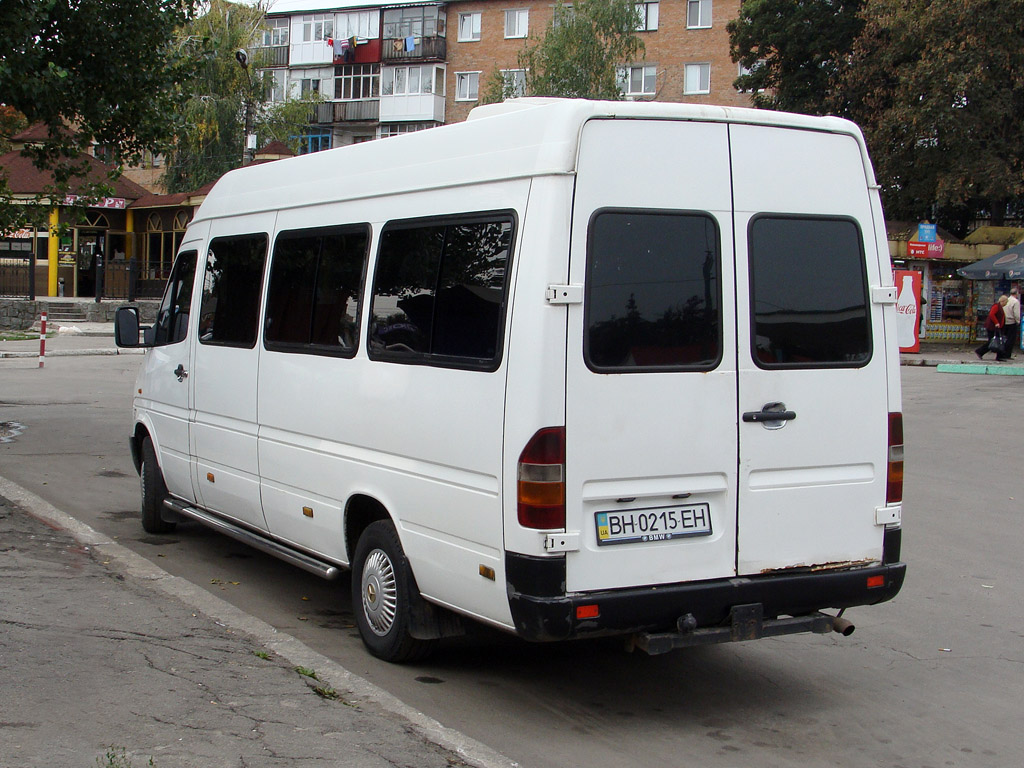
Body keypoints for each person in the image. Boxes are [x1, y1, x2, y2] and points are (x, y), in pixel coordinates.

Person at [976, 295, 1009, 361]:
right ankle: (980, 351)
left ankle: (999, 355)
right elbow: (991, 314)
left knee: (995, 341)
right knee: (994, 341)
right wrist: (996, 322)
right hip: (992, 327)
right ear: (1003, 301)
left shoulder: (999, 307)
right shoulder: (996, 306)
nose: (1006, 304)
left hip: (996, 327)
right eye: (1006, 302)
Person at [1003, 286, 1021, 358]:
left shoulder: (1006, 300)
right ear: (1016, 294)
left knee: (1005, 338)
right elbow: (1016, 313)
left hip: (1004, 321)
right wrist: (1018, 321)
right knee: (1011, 339)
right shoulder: (1016, 302)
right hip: (1012, 322)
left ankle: (1002, 352)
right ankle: (1007, 354)